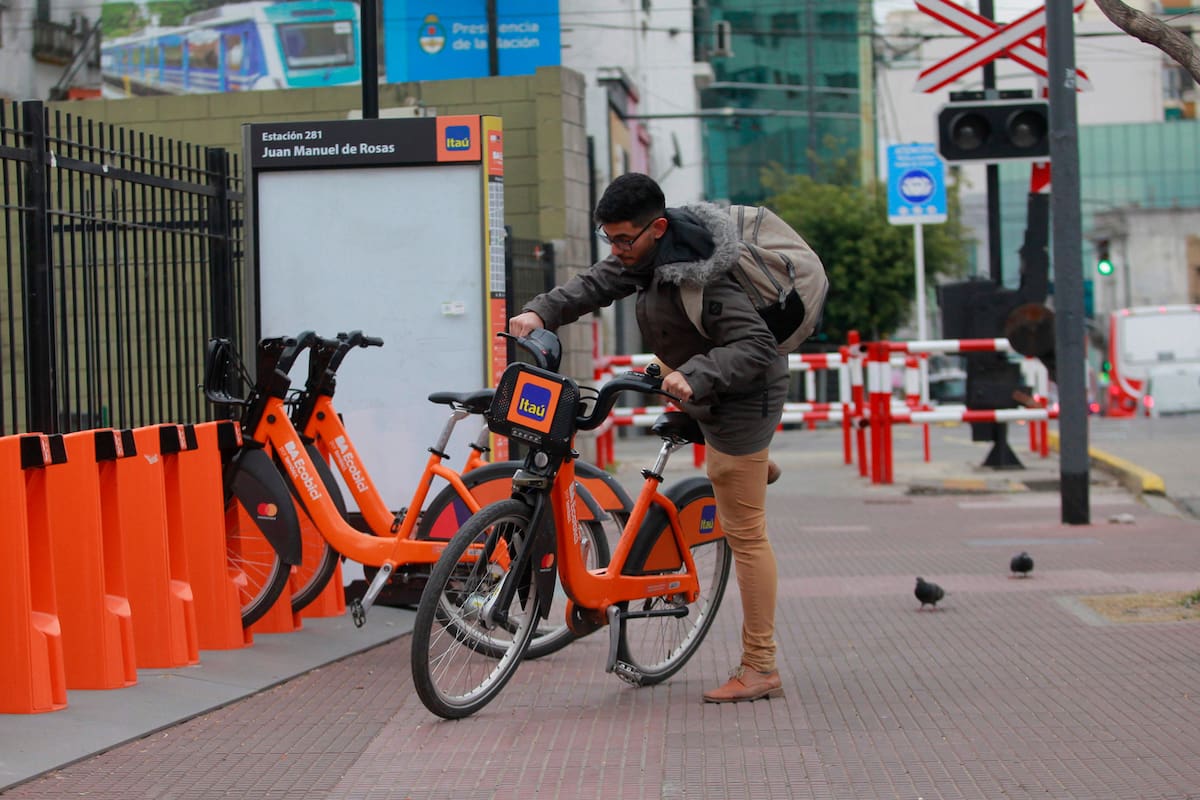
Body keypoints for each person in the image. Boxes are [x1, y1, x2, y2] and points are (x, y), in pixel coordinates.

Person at [508, 172, 787, 703]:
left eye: (623, 240)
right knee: (723, 462)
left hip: (744, 391)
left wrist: (697, 375)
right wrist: (539, 311)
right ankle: (752, 465)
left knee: (743, 527)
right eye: (608, 238)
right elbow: (593, 285)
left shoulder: (710, 275)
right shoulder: (643, 254)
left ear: (658, 228)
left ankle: (760, 666)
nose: (616, 250)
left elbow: (756, 346)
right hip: (690, 374)